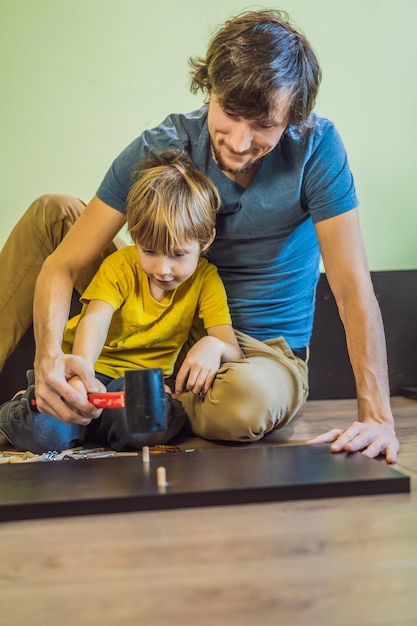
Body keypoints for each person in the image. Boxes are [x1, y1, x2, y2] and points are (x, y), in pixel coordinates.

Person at [0, 9, 399, 462]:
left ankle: (136, 403)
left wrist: (377, 417)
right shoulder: (164, 143)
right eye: (230, 113)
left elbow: (350, 289)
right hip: (157, 317)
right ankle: (91, 396)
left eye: (264, 125)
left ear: (294, 118)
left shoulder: (317, 149)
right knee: (52, 213)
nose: (241, 142)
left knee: (242, 406)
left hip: (251, 351)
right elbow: (64, 263)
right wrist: (48, 358)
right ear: (209, 87)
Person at [0, 150, 243, 453]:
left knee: (146, 427)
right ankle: (19, 409)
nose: (162, 269)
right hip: (89, 373)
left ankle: (93, 427)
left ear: (205, 241)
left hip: (136, 385)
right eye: (149, 251)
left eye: (178, 255)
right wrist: (82, 376)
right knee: (45, 434)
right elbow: (95, 320)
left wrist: (216, 345)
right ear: (135, 237)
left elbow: (232, 350)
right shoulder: (121, 265)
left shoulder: (207, 281)